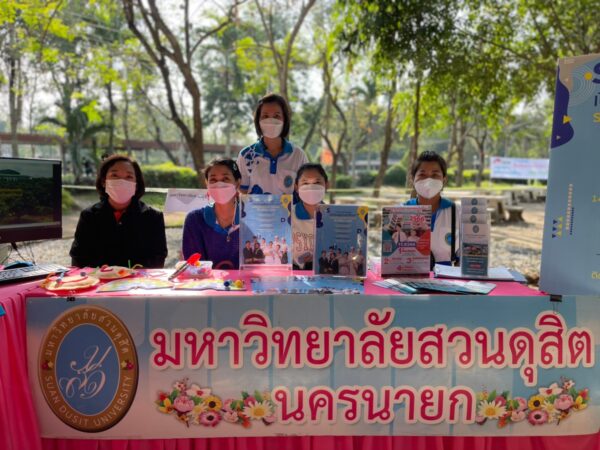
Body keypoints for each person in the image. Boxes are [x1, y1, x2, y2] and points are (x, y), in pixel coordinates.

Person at [70, 154, 167, 268]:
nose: (122, 181)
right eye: (114, 175)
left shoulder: (153, 217)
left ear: (136, 184)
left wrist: (131, 273)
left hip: (139, 279)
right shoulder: (89, 216)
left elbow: (158, 259)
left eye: (129, 176)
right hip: (98, 278)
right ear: (104, 181)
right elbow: (78, 258)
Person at [237, 93, 308, 195]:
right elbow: (243, 192)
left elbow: (305, 191)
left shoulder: (298, 155)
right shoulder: (246, 155)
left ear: (285, 120)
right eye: (265, 116)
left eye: (276, 116)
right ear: (258, 121)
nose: (271, 121)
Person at [182, 159, 241, 270]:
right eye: (213, 180)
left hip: (245, 281)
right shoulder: (194, 220)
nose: (219, 184)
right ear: (207, 184)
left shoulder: (252, 218)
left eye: (225, 179)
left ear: (237, 183)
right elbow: (194, 265)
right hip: (206, 281)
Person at [405, 151, 460, 269]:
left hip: (446, 278)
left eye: (435, 175)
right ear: (412, 179)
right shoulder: (399, 213)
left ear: (444, 180)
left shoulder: (457, 213)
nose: (429, 180)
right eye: (422, 174)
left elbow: (464, 260)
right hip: (408, 276)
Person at [291, 163, 329, 270]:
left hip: (326, 273)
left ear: (326, 185)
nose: (311, 187)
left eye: (317, 182)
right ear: (296, 187)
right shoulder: (287, 215)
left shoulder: (334, 216)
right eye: (305, 183)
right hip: (295, 273)